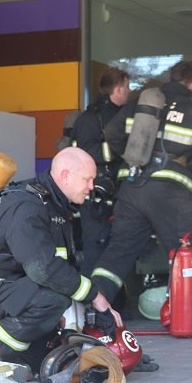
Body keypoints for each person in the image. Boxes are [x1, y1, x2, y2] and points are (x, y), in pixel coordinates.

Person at [0, 146, 122, 371]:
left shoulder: (53, 206)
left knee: (52, 318)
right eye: (88, 179)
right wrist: (95, 297)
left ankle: (21, 355)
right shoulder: (26, 207)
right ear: (66, 176)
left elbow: (61, 266)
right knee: (53, 298)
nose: (91, 187)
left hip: (4, 289)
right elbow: (44, 270)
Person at [91, 60, 192, 309]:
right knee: (185, 252)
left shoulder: (141, 103)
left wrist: (133, 156)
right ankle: (190, 314)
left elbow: (112, 132)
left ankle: (93, 310)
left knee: (118, 252)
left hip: (132, 187)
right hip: (171, 193)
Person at [71, 66, 130, 277]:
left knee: (119, 249)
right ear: (117, 89)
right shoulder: (91, 118)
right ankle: (92, 302)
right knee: (96, 247)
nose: (129, 91)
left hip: (121, 193)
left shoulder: (124, 115)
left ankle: (116, 301)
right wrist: (121, 149)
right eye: (126, 87)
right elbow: (86, 152)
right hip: (95, 194)